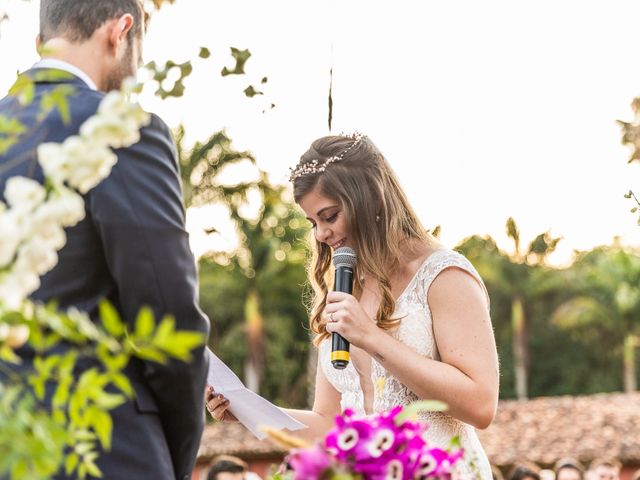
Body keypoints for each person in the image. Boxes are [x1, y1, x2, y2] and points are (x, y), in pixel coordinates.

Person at [207, 133, 499, 478]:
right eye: (313, 222)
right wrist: (248, 411)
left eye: (329, 216)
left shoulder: (443, 275)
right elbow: (329, 425)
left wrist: (371, 337)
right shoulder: (343, 289)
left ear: (368, 198)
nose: (320, 235)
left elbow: (481, 405)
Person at [0, 1, 209, 479]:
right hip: (104, 450)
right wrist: (171, 456)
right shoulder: (121, 129)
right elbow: (167, 314)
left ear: (41, 43)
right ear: (120, 33)